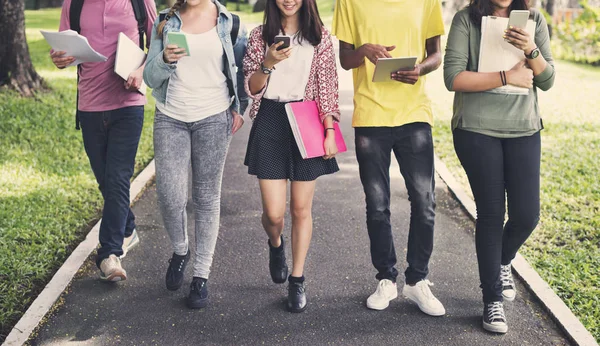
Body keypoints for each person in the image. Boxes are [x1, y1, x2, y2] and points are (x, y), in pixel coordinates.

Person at [444, 0, 555, 334]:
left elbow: (547, 81)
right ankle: (491, 298)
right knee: (492, 213)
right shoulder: (466, 20)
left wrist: (531, 49)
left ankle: (502, 261)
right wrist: (506, 76)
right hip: (477, 129)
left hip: (524, 128)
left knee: (526, 215)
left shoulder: (534, 20)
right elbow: (453, 78)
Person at [332, 0, 446, 316]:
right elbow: (345, 59)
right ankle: (386, 278)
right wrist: (364, 51)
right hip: (371, 114)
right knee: (378, 204)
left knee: (424, 201)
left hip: (414, 112)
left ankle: (417, 280)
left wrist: (420, 69)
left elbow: (436, 53)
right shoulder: (349, 2)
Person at [143, 0, 247, 309]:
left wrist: (239, 106)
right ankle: (180, 249)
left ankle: (201, 275)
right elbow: (150, 77)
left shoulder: (230, 22)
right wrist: (163, 59)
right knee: (170, 195)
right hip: (170, 116)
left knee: (206, 197)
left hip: (213, 117)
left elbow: (240, 68)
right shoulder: (165, 20)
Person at [243, 0, 340, 313]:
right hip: (270, 118)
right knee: (274, 215)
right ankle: (275, 244)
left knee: (301, 208)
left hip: (307, 118)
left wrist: (328, 130)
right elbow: (252, 88)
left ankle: (297, 279)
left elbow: (328, 87)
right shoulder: (260, 35)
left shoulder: (319, 37)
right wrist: (268, 62)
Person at [51, 0, 157, 282]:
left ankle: (110, 254)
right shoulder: (73, 4)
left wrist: (141, 70)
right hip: (90, 107)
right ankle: (128, 227)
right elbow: (63, 48)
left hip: (128, 103)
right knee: (106, 180)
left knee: (118, 178)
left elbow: (158, 42)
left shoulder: (139, 2)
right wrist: (59, 58)